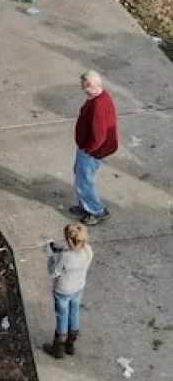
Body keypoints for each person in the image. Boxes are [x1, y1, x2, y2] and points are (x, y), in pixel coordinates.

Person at [72, 70, 118, 225]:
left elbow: (99, 135)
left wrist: (89, 150)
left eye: (86, 87)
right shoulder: (102, 97)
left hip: (92, 151)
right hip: (92, 149)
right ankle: (85, 206)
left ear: (93, 86)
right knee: (81, 177)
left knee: (84, 181)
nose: (83, 89)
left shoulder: (97, 105)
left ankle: (96, 211)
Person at [45, 223, 93, 358]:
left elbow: (53, 272)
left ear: (68, 240)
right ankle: (70, 344)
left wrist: (50, 255)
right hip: (78, 286)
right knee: (75, 312)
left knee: (62, 316)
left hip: (63, 289)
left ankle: (58, 347)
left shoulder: (66, 257)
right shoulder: (88, 250)